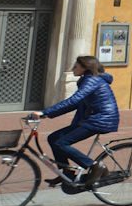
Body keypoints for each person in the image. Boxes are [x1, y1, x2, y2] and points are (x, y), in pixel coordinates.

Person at [28, 55, 118, 187]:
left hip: (101, 119)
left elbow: (73, 100)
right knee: (53, 138)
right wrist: (46, 114)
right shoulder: (88, 80)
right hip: (94, 119)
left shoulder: (92, 80)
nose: (72, 69)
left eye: (75, 66)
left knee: (60, 143)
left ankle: (95, 166)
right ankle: (67, 173)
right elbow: (74, 104)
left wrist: (44, 112)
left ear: (85, 67)